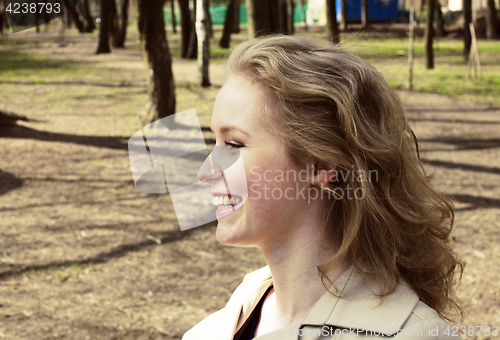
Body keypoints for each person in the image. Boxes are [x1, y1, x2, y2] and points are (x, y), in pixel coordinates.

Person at [186, 35, 463, 340]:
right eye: (215, 141)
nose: (205, 172)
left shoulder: (414, 335)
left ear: (322, 166)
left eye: (233, 144)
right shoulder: (233, 315)